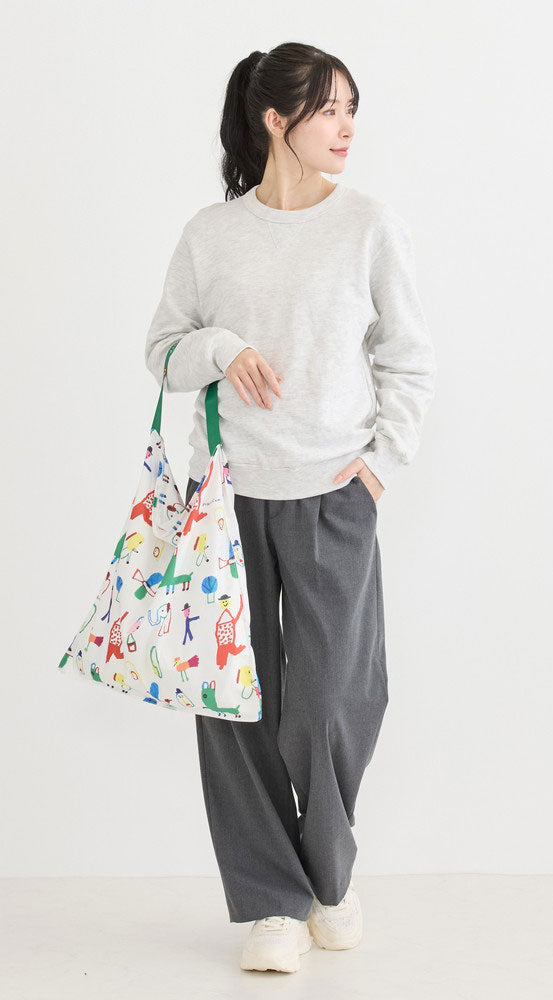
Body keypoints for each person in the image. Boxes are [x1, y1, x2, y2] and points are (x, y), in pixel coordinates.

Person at [144, 42, 436, 974]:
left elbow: (409, 358)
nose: (347, 128)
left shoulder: (368, 226)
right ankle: (273, 903)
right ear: (277, 120)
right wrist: (222, 347)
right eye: (329, 109)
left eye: (352, 109)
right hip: (227, 501)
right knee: (234, 703)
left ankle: (327, 876)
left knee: (337, 698)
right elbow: (162, 350)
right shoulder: (212, 235)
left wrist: (380, 468)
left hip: (333, 497)